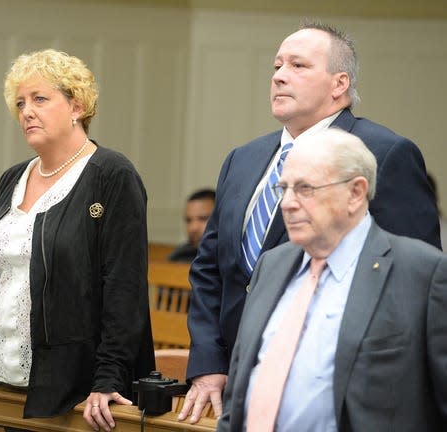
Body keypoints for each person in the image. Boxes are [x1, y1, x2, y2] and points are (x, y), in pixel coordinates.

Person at [180, 21, 441, 424]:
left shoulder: (385, 153)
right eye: (277, 65)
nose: (280, 75)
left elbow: (410, 288)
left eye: (298, 66)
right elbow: (210, 268)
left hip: (341, 399)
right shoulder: (243, 158)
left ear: (339, 84)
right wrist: (209, 363)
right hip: (238, 390)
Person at [0, 49, 155, 431]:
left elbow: (124, 286)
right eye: (20, 102)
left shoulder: (111, 174)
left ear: (77, 106)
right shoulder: (13, 178)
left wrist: (109, 379)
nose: (26, 111)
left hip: (76, 391)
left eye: (40, 99)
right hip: (3, 379)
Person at [218, 128, 447, 431]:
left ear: (355, 193)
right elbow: (239, 392)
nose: (287, 203)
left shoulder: (422, 273)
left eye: (305, 189)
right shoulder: (270, 266)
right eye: (282, 188)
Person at [168, 189, 216, 263]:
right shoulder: (179, 257)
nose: (193, 228)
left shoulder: (234, 258)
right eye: (188, 220)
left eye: (203, 218)